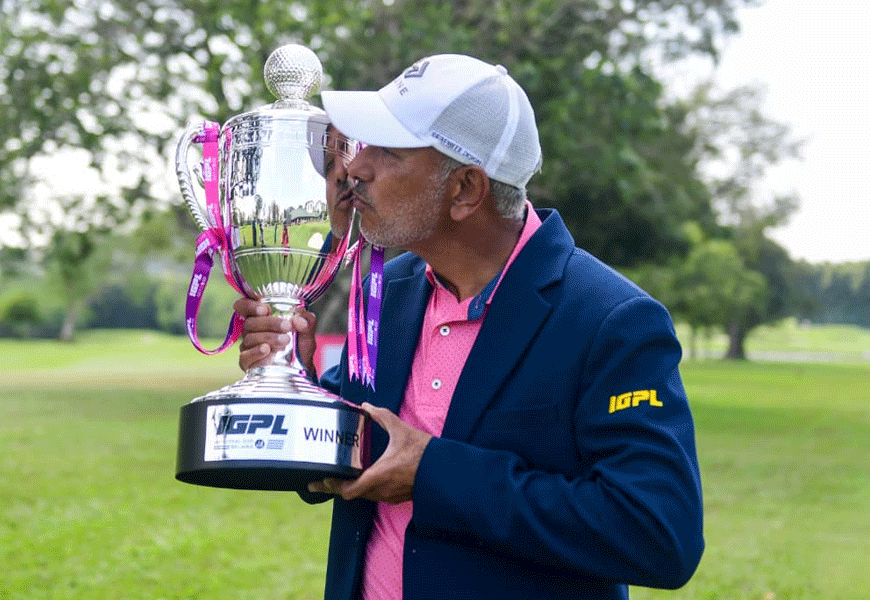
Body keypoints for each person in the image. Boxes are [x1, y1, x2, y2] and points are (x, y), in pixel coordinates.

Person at [235, 54, 704, 600]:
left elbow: (658, 534)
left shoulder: (612, 321)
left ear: (464, 190)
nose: (356, 168)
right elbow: (358, 458)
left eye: (387, 151)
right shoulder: (386, 288)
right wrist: (301, 389)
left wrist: (435, 474)